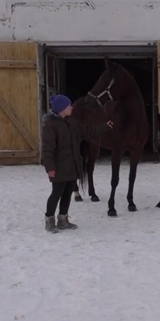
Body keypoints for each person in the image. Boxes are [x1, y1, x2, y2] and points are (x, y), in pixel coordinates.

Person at [41, 94, 114, 233]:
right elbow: (48, 149)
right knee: (56, 193)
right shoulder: (50, 126)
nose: (71, 108)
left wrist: (105, 126)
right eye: (69, 106)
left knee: (68, 193)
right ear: (62, 108)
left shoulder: (72, 123)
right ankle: (49, 221)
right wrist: (50, 168)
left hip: (72, 165)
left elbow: (88, 131)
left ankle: (63, 220)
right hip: (59, 167)